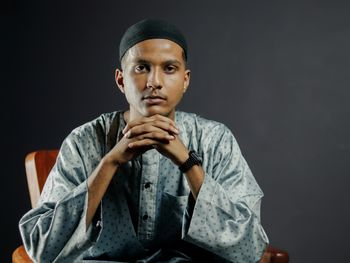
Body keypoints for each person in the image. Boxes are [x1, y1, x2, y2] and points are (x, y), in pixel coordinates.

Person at [19, 19, 269, 263]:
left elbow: (249, 250)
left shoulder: (215, 140)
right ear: (121, 80)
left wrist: (188, 162)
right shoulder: (84, 142)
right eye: (141, 68)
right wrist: (110, 162)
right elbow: (43, 248)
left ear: (185, 80)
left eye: (169, 68)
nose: (154, 82)